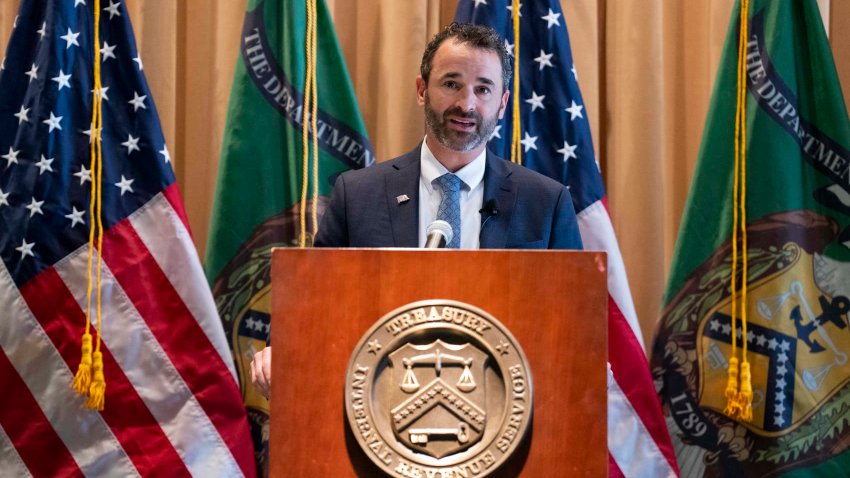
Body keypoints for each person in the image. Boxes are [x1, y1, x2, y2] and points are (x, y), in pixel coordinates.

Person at [250, 22, 583, 398]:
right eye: (451, 83)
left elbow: (574, 324)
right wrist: (281, 350)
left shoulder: (545, 202)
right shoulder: (358, 194)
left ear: (503, 103)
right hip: (380, 402)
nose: (467, 104)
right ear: (422, 90)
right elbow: (311, 306)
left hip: (506, 404)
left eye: (483, 89)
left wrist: (584, 357)